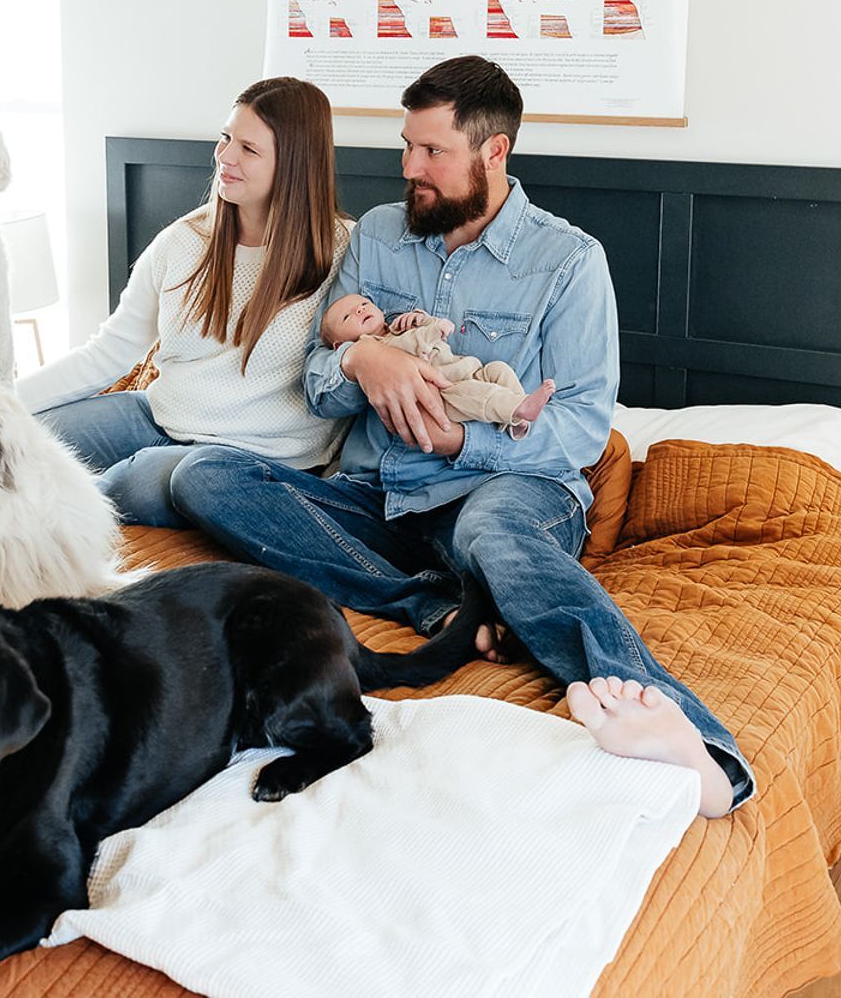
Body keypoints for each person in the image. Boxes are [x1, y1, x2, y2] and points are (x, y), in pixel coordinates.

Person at [167, 56, 753, 817]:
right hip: (376, 498)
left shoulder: (569, 262)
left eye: (432, 152)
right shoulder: (378, 236)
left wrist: (459, 448)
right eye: (407, 145)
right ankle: (436, 606)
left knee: (495, 534)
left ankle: (698, 748)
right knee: (203, 477)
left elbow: (579, 426)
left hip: (502, 491)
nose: (410, 167)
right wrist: (362, 356)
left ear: (493, 153)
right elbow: (317, 381)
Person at [19, 76, 351, 527]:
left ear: (294, 163)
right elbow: (108, 351)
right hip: (155, 417)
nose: (225, 157)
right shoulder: (183, 240)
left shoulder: (346, 253)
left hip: (244, 463)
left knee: (127, 484)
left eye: (249, 149)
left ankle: (39, 519)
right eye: (226, 137)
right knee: (15, 441)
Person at [318, 293, 555, 439]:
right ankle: (519, 408)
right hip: (444, 392)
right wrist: (433, 329)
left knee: (498, 369)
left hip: (464, 369)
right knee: (476, 394)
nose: (360, 310)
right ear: (340, 345)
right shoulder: (374, 348)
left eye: (364, 303)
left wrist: (422, 319)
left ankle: (517, 419)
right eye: (348, 317)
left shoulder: (398, 327)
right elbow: (409, 347)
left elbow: (422, 332)